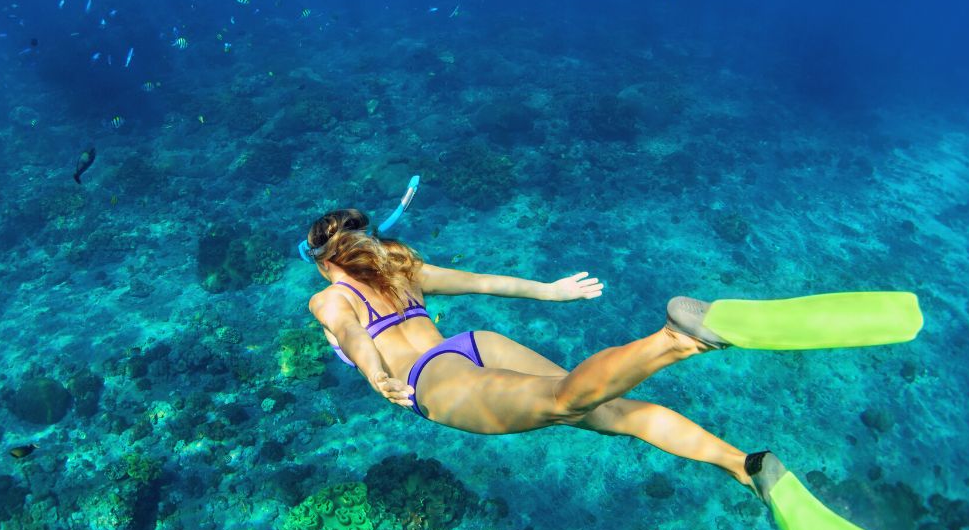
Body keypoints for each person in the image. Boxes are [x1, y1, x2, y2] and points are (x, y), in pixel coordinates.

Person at [305, 207, 755, 489]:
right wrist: (550, 291)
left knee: (565, 401)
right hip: (477, 345)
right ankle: (742, 464)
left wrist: (376, 376)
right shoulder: (402, 270)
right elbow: (484, 282)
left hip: (432, 380)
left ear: (325, 262)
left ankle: (675, 340)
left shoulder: (329, 297)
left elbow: (351, 334)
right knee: (609, 411)